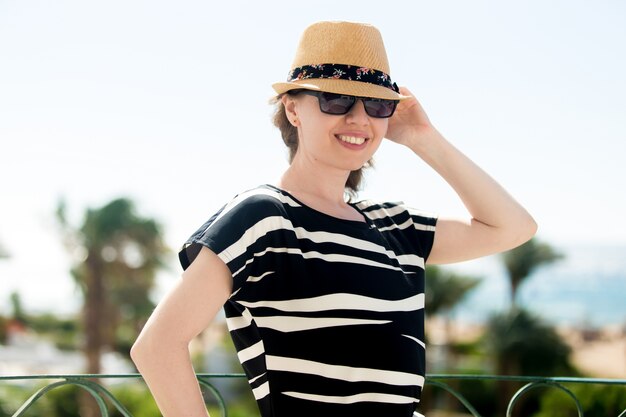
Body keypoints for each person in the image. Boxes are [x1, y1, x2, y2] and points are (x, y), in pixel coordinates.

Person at [131, 20, 537, 417]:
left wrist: (422, 138)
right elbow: (157, 347)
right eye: (336, 100)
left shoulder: (395, 229)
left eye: (377, 105)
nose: (359, 119)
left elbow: (514, 227)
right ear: (292, 108)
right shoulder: (263, 219)